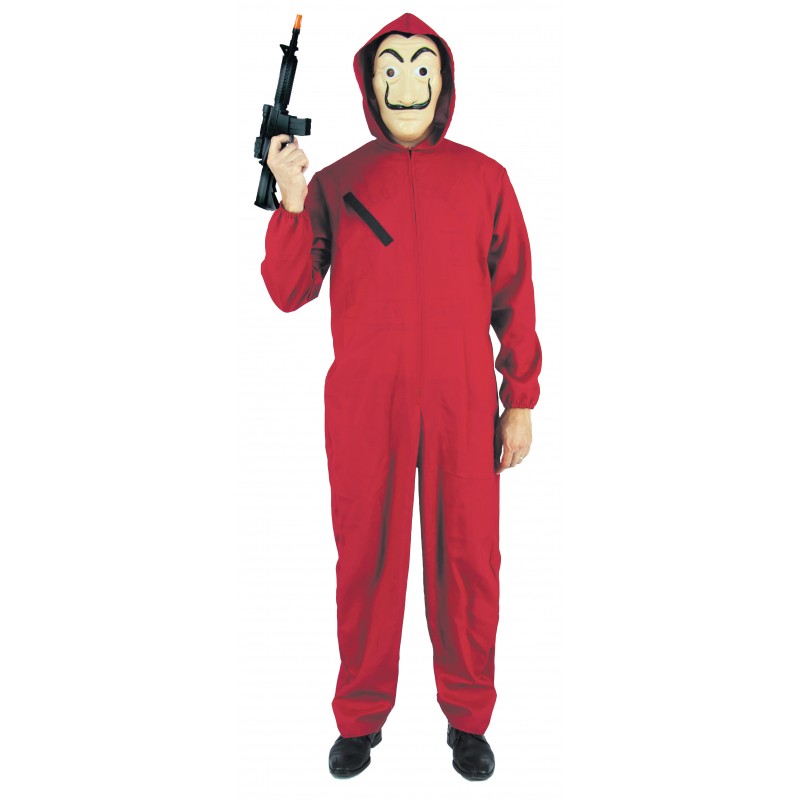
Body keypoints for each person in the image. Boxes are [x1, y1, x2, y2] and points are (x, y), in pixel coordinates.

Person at [260, 12, 542, 781]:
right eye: (390, 67)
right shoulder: (336, 182)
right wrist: (292, 197)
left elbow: (515, 293)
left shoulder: (486, 180)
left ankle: (468, 720)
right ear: (367, 83)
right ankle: (360, 720)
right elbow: (288, 289)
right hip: (366, 407)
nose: (406, 82)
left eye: (422, 67)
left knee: (470, 561)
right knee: (366, 561)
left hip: (460, 404)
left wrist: (519, 398)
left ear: (444, 82)